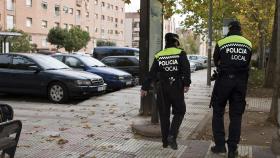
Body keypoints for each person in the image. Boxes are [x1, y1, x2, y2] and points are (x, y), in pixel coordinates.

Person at [140, 33, 191, 150]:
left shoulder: (159, 55)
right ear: (176, 42)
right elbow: (186, 69)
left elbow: (151, 73)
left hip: (162, 88)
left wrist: (144, 87)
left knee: (164, 114)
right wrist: (187, 83)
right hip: (176, 87)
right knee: (180, 111)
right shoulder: (180, 53)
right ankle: (172, 135)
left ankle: (165, 142)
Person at [210, 21, 252, 158]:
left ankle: (220, 146)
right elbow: (247, 62)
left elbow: (216, 61)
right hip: (240, 83)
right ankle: (233, 149)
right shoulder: (248, 43)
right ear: (240, 30)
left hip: (223, 81)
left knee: (218, 112)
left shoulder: (222, 42)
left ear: (229, 30)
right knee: (236, 115)